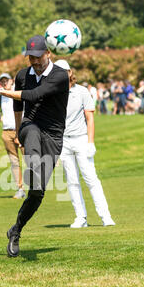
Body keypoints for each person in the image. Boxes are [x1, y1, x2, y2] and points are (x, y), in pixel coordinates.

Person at [0, 35, 69, 257]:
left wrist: (6, 92)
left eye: (37, 57)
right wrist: (19, 132)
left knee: (37, 193)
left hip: (54, 135)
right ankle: (33, 166)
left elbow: (35, 95)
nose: (34, 61)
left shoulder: (60, 76)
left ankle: (15, 230)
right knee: (32, 133)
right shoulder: (22, 75)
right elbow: (19, 105)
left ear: (48, 54)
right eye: (30, 57)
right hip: (31, 125)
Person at [55, 60, 115, 228]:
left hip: (81, 139)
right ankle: (81, 217)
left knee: (91, 178)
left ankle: (105, 216)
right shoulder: (52, 93)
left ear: (69, 73)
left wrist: (90, 142)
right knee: (72, 181)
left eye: (64, 71)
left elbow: (90, 118)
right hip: (63, 142)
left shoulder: (81, 91)